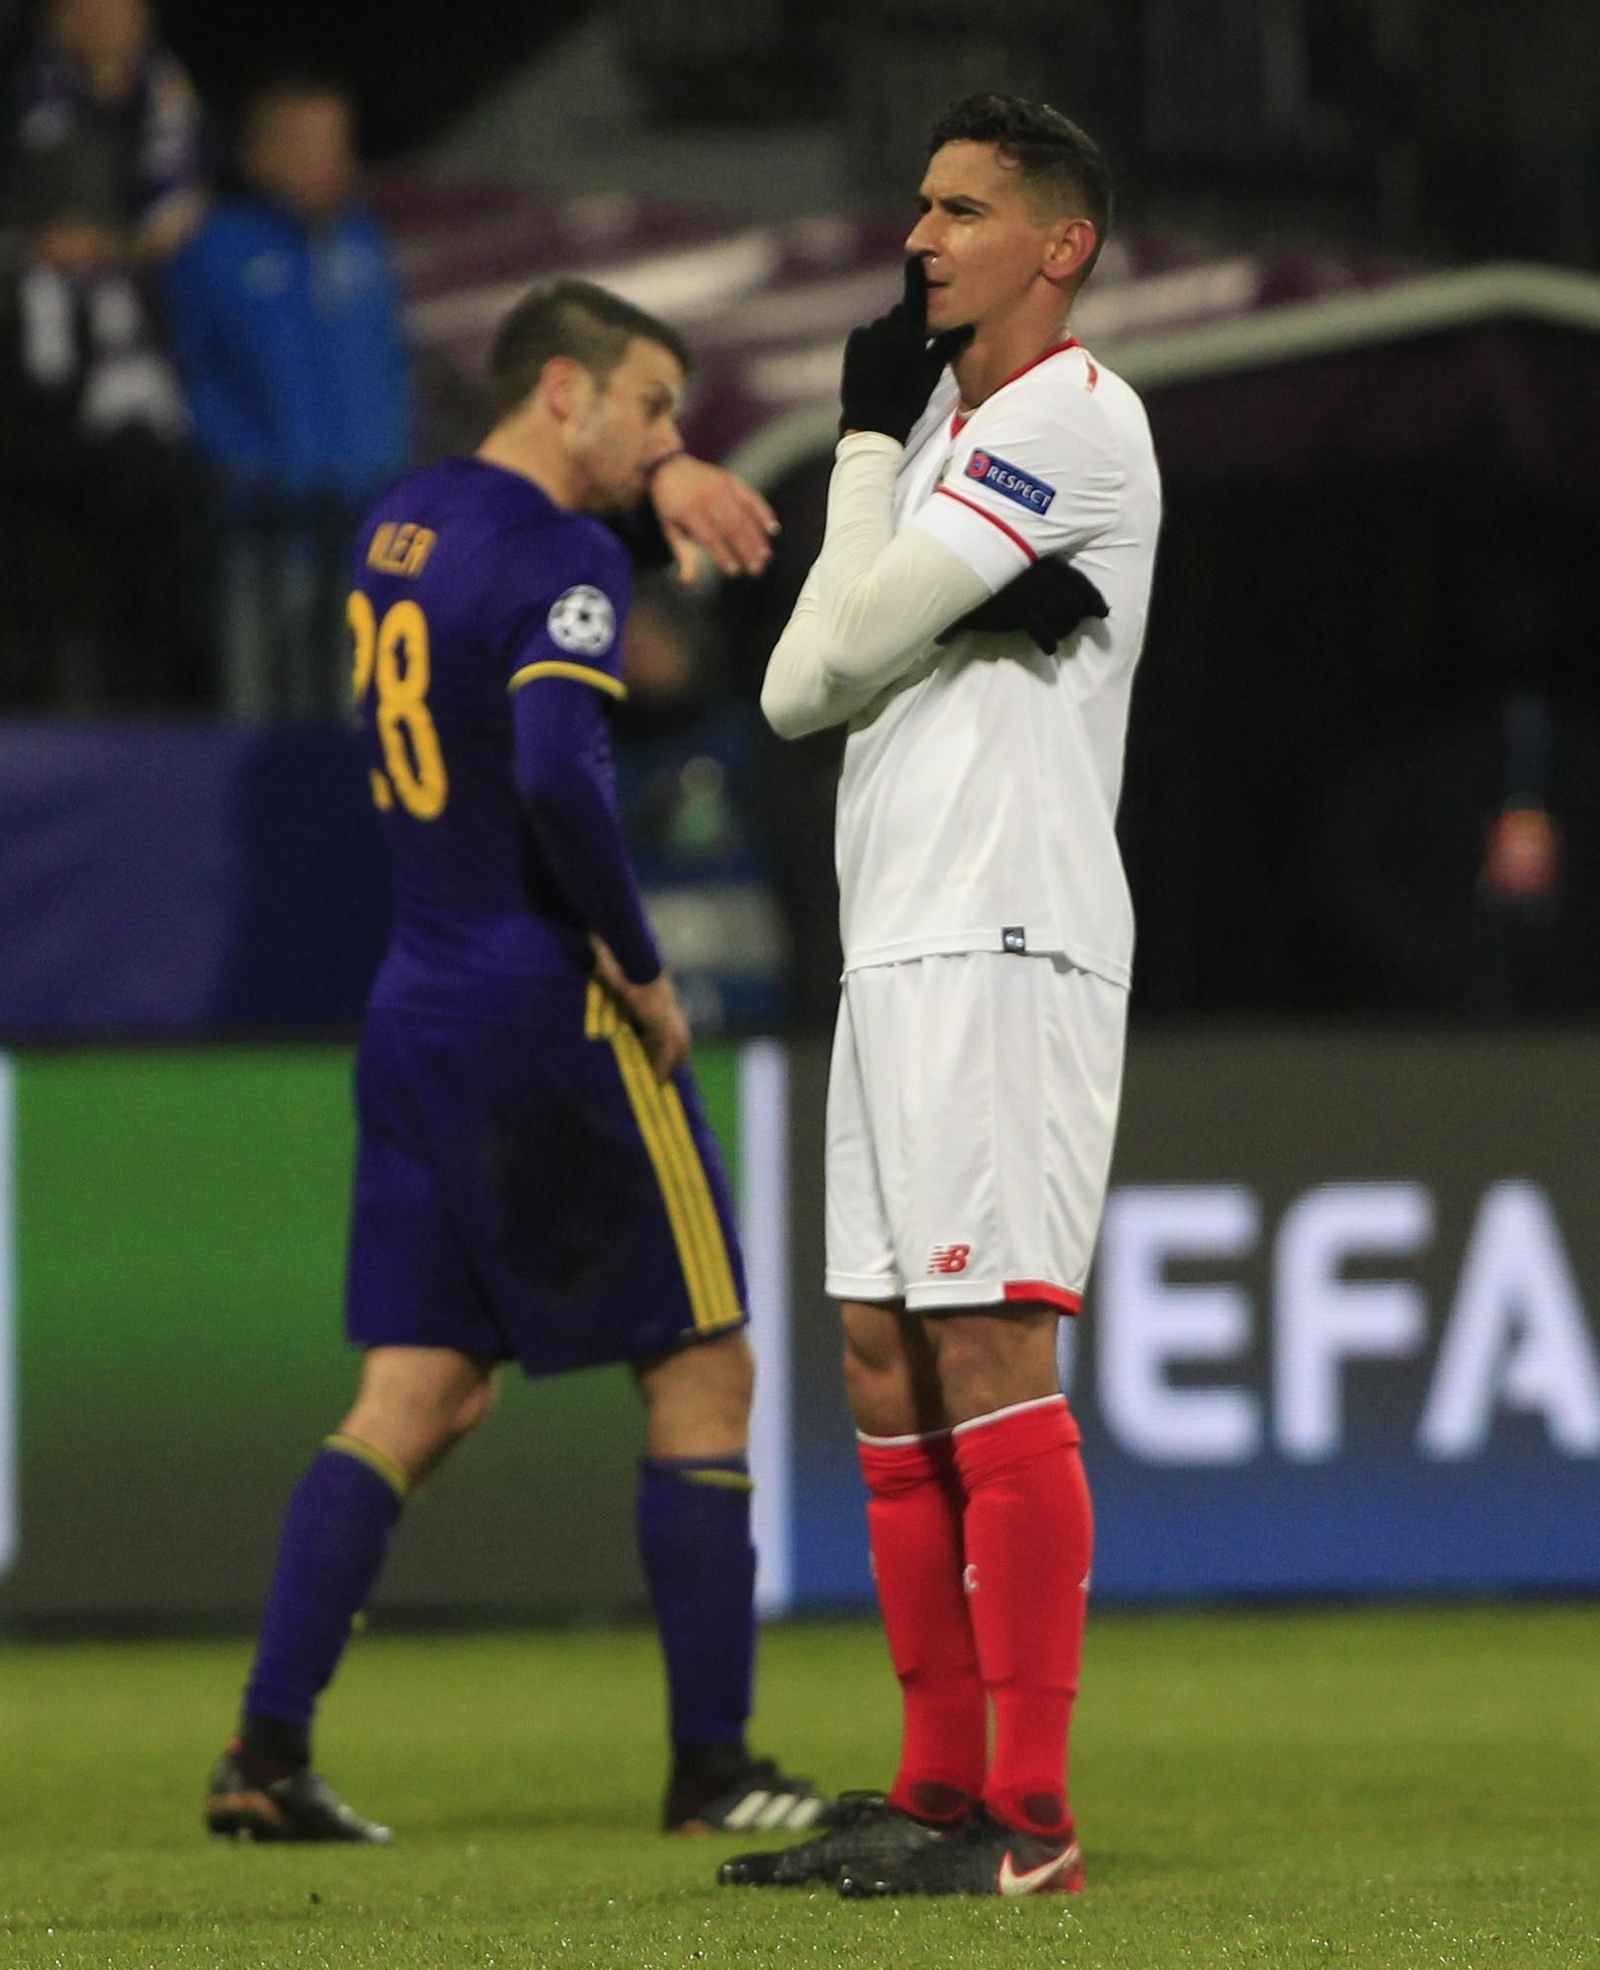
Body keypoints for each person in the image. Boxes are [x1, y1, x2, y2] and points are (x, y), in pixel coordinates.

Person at [203, 277, 825, 1844]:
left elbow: (504, 591)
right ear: (567, 390)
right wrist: (638, 960)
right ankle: (715, 1769)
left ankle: (264, 1753)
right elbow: (556, 767)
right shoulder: (559, 558)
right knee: (703, 1362)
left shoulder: (400, 518)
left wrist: (656, 477)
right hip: (549, 1010)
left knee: (413, 1392)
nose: (668, 436)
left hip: (413, 998)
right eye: (654, 407)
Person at [721, 92, 1161, 1897]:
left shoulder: (1077, 420)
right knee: (884, 1360)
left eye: (961, 209)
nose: (920, 238)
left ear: (1057, 245)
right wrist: (868, 453)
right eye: (918, 205)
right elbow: (804, 685)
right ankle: (936, 1787)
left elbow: (813, 669)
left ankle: (1031, 1822)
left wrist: (863, 495)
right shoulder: (945, 432)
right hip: (893, 939)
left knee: (989, 1345)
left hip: (1006, 932)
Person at [163, 77, 412, 718]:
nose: (325, 160)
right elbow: (186, 372)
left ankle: (344, 815)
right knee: (258, 700)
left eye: (335, 142)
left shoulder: (363, 243)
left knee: (357, 698)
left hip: (362, 514)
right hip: (261, 519)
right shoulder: (216, 248)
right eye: (303, 143)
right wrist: (236, 461)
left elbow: (386, 363)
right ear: (257, 156)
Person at [3, 0, 206, 265]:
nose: (99, 22)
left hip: (137, 261)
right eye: (83, 10)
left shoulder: (169, 96)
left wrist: (108, 247)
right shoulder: (20, 92)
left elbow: (179, 208)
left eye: (113, 10)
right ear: (53, 20)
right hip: (28, 255)